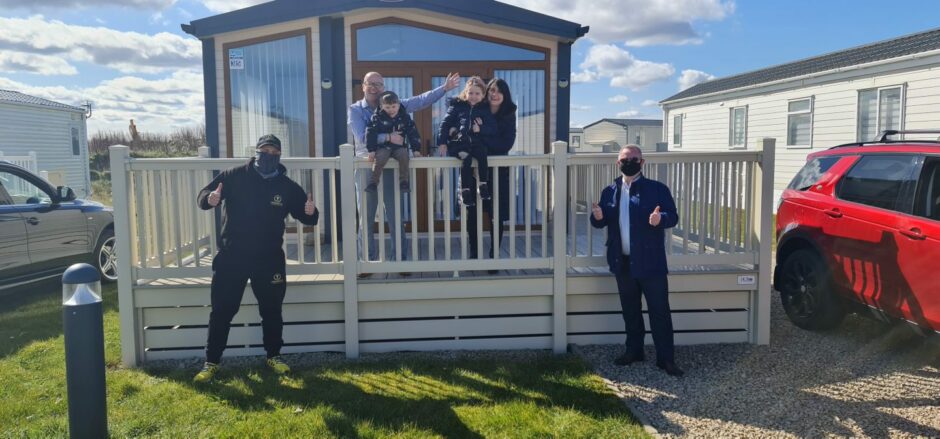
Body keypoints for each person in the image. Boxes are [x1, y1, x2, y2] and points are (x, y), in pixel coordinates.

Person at [192, 134, 319, 382]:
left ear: (279, 155)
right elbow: (204, 195)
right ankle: (212, 362)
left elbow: (309, 217)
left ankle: (274, 356)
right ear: (256, 152)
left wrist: (311, 212)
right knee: (222, 310)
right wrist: (210, 199)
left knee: (271, 310)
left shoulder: (286, 186)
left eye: (274, 152)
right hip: (232, 255)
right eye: (264, 150)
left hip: (269, 258)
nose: (268, 155)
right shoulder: (234, 175)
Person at [348, 71, 460, 272]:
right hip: (367, 165)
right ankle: (365, 263)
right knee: (366, 216)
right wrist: (389, 137)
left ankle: (399, 260)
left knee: (395, 214)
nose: (374, 87)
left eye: (378, 84)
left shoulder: (395, 104)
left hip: (393, 165)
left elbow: (420, 101)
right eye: (370, 83)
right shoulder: (356, 109)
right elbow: (362, 137)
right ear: (363, 86)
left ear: (383, 86)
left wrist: (444, 88)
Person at [589, 145, 684, 377]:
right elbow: (600, 222)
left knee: (659, 311)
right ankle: (634, 351)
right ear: (617, 163)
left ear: (642, 163)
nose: (628, 162)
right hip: (622, 263)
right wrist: (597, 217)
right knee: (630, 310)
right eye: (624, 159)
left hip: (651, 263)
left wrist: (658, 219)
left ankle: (666, 359)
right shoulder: (610, 191)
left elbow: (673, 216)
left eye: (634, 159)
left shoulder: (656, 189)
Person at [467, 78, 517, 264]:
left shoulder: (509, 114)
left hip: (498, 171)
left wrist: (482, 136)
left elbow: (506, 143)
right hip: (475, 171)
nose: (494, 94)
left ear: (505, 95)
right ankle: (473, 252)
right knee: (472, 212)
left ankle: (494, 254)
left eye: (499, 91)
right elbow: (470, 137)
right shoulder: (478, 109)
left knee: (496, 213)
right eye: (491, 90)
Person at [437, 76, 496, 207]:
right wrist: (442, 142)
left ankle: (483, 185)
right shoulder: (457, 106)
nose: (473, 96)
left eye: (477, 93)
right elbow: (445, 124)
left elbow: (492, 128)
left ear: (483, 95)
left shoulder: (484, 109)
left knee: (482, 154)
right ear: (465, 92)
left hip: (475, 143)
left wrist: (480, 128)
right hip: (459, 144)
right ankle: (465, 191)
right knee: (466, 159)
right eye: (470, 93)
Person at [365, 91, 421, 193]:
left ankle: (404, 181)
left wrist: (416, 149)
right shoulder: (377, 117)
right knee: (380, 158)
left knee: (404, 155)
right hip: (383, 147)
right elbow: (370, 133)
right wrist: (371, 150)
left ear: (399, 105)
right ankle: (373, 182)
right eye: (387, 107)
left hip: (399, 147)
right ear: (381, 106)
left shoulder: (404, 117)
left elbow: (413, 133)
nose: (391, 110)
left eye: (394, 106)